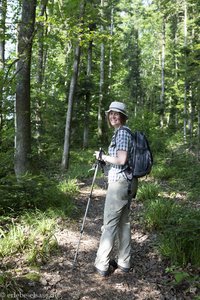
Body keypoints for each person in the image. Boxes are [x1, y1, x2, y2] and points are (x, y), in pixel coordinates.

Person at [94, 101, 138, 277]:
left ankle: (102, 264)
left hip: (119, 184)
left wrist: (102, 157)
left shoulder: (122, 133)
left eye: (117, 113)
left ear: (123, 117)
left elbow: (121, 160)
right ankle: (124, 261)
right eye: (111, 113)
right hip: (128, 182)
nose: (113, 116)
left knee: (110, 224)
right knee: (123, 223)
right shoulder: (126, 133)